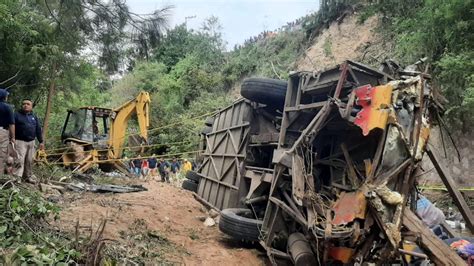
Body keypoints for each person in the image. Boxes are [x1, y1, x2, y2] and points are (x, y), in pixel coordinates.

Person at [14, 99, 44, 182]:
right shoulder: (16, 115)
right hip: (20, 141)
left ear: (31, 106)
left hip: (31, 142)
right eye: (24, 104)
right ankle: (17, 177)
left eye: (28, 104)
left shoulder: (34, 116)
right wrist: (11, 138)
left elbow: (38, 129)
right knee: (19, 160)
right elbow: (11, 127)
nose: (25, 105)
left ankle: (27, 177)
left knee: (30, 160)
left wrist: (41, 141)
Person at [0, 89, 15, 175]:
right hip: (2, 132)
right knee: (1, 155)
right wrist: (13, 137)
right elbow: (11, 124)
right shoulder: (8, 107)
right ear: (4, 96)